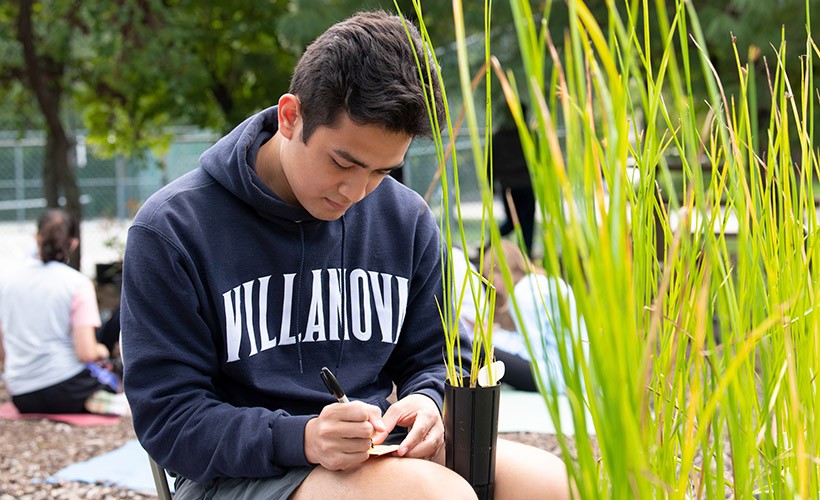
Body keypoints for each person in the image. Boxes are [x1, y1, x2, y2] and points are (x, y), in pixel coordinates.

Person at [120, 11, 570, 500]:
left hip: (378, 451)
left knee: (558, 484)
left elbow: (441, 358)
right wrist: (304, 437)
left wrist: (427, 400)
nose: (356, 191)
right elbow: (169, 419)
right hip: (237, 473)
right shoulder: (171, 229)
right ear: (291, 117)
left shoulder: (407, 219)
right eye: (343, 162)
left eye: (382, 171)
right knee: (432, 496)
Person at [0, 209, 128, 416]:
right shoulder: (76, 283)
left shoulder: (6, 281)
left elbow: (3, 349)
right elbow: (86, 352)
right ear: (74, 243)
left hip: (22, 394)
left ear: (36, 237)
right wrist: (102, 351)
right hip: (68, 391)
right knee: (109, 374)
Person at [483, 240, 587, 394]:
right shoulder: (542, 282)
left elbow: (533, 352)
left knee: (479, 349)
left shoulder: (522, 294)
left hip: (556, 377)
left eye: (492, 278)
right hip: (575, 374)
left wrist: (493, 337)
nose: (493, 287)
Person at [491, 105, 536, 255]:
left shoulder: (498, 137)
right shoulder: (528, 135)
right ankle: (525, 253)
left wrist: (492, 185)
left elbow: (489, 165)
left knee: (513, 221)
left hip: (509, 185)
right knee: (525, 222)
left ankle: (491, 243)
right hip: (524, 184)